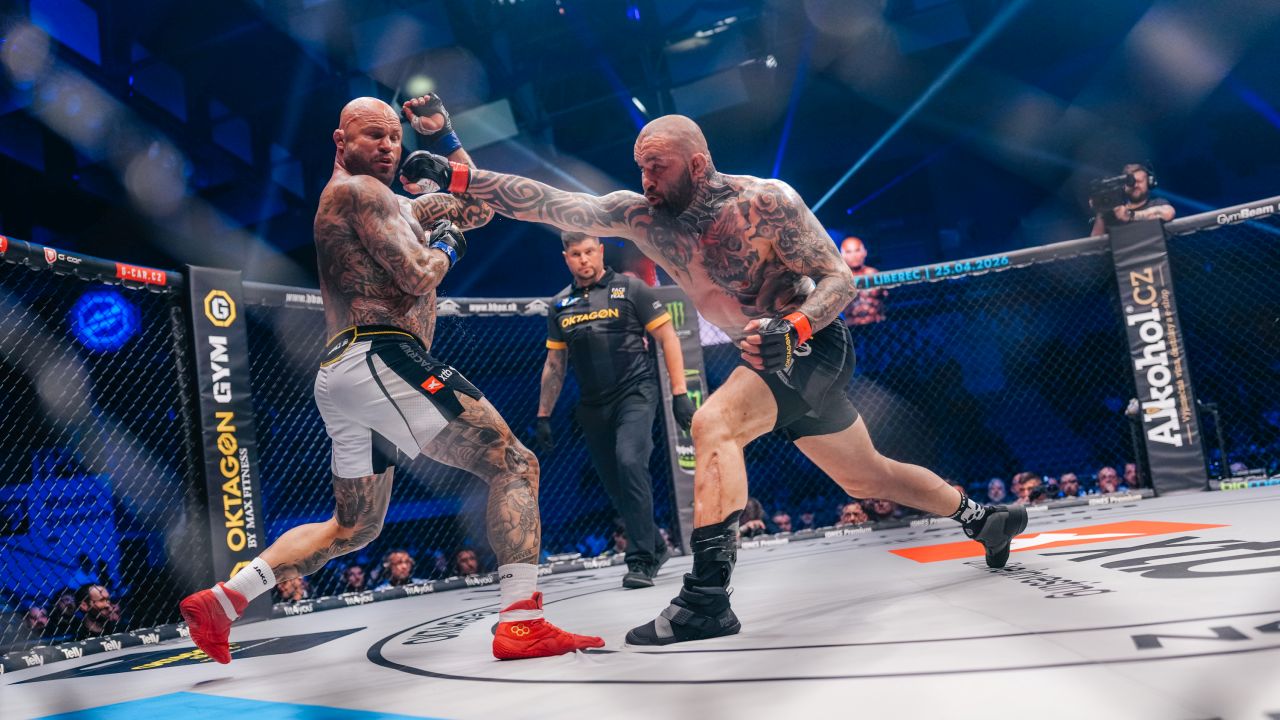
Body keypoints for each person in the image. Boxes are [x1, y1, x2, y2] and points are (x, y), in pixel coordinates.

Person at [403, 112, 1028, 647]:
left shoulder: (766, 204)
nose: (647, 181)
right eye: (641, 167)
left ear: (698, 165)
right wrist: (460, 176)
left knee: (713, 423)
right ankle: (983, 518)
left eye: (659, 168)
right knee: (867, 476)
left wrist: (795, 327)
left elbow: (839, 278)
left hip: (810, 344)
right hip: (762, 355)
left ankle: (706, 598)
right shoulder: (641, 216)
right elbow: (549, 201)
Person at [179, 95, 601, 663]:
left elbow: (480, 206)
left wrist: (446, 140)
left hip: (349, 372)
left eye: (395, 137)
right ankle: (522, 623)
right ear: (341, 141)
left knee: (354, 527)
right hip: (381, 356)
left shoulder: (396, 205)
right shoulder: (359, 191)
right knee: (515, 464)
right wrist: (447, 243)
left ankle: (223, 601)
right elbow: (419, 274)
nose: (387, 145)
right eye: (373, 135)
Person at [536, 230, 693, 588]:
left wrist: (680, 393)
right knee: (614, 484)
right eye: (576, 254)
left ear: (601, 250)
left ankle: (641, 560)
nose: (584, 259)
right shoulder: (559, 304)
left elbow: (668, 337)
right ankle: (656, 545)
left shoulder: (631, 289)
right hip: (592, 405)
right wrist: (543, 415)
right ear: (566, 258)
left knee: (629, 461)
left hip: (635, 393)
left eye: (589, 251)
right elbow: (555, 364)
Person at [1090, 163, 1175, 237]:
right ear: (1124, 186)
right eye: (1130, 182)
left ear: (1149, 183)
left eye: (1139, 181)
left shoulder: (1157, 203)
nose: (1135, 185)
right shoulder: (1115, 212)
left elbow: (1168, 213)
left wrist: (1130, 215)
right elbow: (1096, 243)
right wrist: (1100, 211)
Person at [839, 236, 886, 326]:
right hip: (852, 327)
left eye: (857, 250)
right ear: (842, 255)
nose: (854, 256)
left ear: (864, 252)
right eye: (849, 252)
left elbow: (886, 297)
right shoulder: (839, 278)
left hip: (877, 324)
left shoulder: (873, 273)